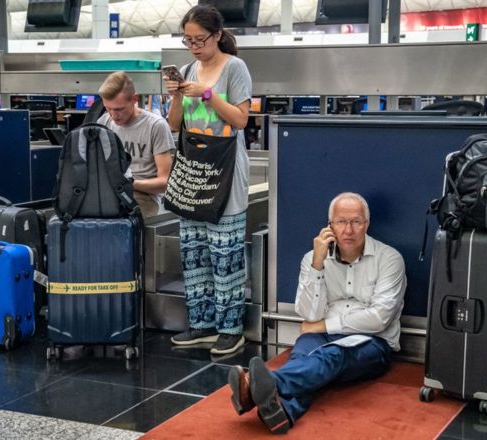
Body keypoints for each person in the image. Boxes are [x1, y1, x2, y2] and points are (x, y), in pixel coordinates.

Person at [228, 192, 407, 433]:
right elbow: (309, 314)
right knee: (305, 362)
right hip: (319, 333)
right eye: (341, 222)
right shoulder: (313, 258)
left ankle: (264, 386)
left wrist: (324, 326)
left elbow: (379, 319)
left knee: (329, 357)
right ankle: (282, 412)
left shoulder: (389, 259)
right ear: (330, 225)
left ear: (367, 224)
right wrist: (317, 266)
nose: (349, 230)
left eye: (356, 222)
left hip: (373, 343)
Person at [163, 4, 252, 355]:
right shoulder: (187, 69)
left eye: (200, 40)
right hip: (193, 166)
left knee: (224, 250)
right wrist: (175, 95)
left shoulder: (235, 68)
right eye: (188, 41)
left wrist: (206, 93)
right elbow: (173, 124)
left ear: (217, 36)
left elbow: (241, 120)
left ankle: (231, 328)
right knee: (194, 251)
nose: (194, 47)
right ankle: (201, 323)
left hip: (225, 166)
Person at [97, 71, 175, 217]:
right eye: (108, 108)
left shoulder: (155, 125)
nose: (113, 116)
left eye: (119, 109)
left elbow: (166, 182)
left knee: (121, 222)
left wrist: (127, 184)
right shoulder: (104, 122)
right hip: (108, 194)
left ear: (134, 99)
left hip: (143, 197)